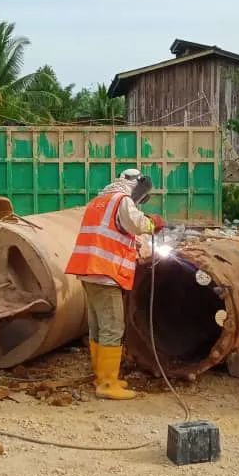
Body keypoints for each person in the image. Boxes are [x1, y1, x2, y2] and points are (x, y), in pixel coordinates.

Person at [66, 169, 165, 399]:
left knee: (98, 326)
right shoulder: (123, 200)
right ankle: (108, 384)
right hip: (105, 273)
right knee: (113, 327)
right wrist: (154, 222)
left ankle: (101, 376)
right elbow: (138, 223)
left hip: (87, 270)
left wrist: (133, 246)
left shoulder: (99, 201)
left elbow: (113, 232)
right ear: (136, 184)